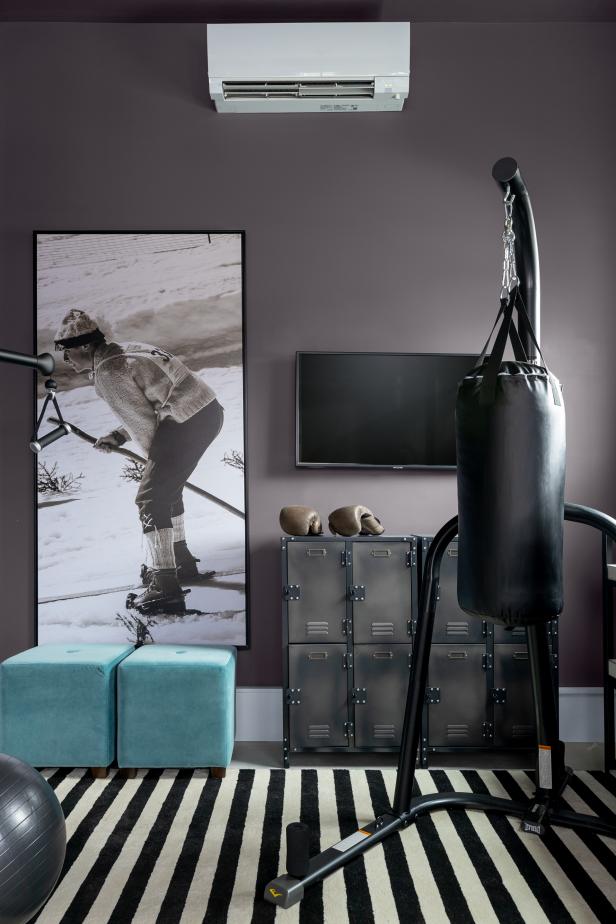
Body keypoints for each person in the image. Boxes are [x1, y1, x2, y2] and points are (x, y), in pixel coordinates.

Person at [54, 308, 224, 614]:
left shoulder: (108, 372)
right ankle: (180, 563)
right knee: (165, 490)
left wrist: (154, 468)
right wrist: (119, 436)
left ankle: (165, 586)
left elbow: (146, 426)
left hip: (186, 420)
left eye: (66, 353)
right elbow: (150, 405)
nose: (65, 361)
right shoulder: (125, 349)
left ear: (84, 346)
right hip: (207, 411)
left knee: (150, 498)